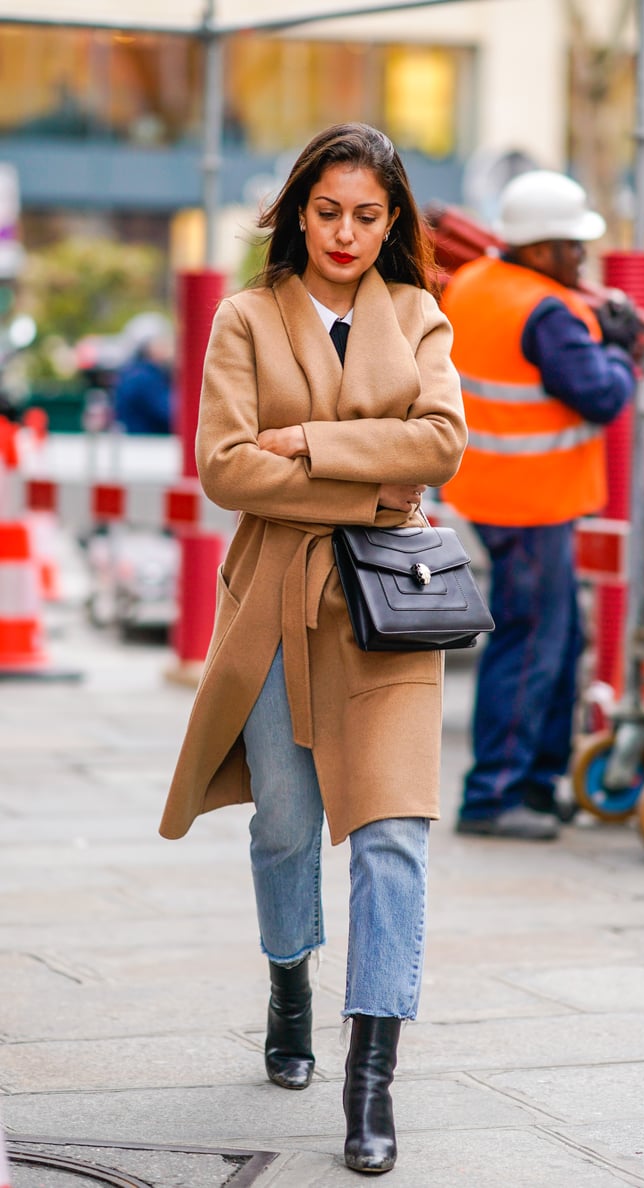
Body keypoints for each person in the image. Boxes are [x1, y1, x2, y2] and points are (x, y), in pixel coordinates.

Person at [158, 124, 466, 1174]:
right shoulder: (245, 319)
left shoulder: (420, 314)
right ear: (299, 211)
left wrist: (308, 446)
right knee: (287, 826)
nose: (345, 232)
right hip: (278, 604)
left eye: (367, 215)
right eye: (328, 211)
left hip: (389, 606)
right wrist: (371, 480)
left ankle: (368, 1080)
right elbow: (227, 469)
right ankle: (291, 981)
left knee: (394, 835)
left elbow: (443, 445)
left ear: (393, 223)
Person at [441, 169, 639, 841]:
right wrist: (620, 349)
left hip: (490, 491)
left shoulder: (474, 286)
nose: (581, 258)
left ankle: (536, 780)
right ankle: (497, 793)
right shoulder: (546, 310)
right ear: (539, 249)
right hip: (531, 499)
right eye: (572, 246)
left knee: (556, 637)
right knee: (532, 644)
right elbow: (604, 396)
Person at [114, 325, 174, 435]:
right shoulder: (145, 378)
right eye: (162, 342)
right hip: (148, 445)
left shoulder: (133, 372)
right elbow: (171, 414)